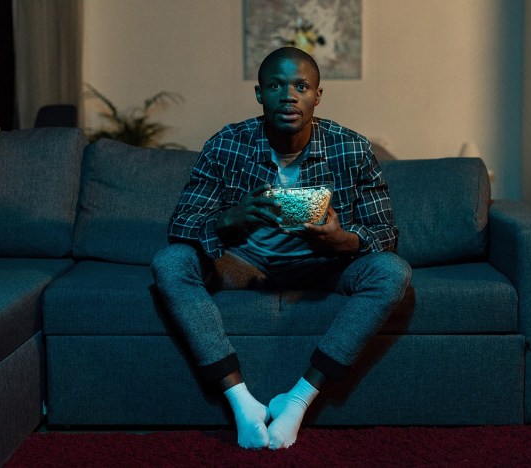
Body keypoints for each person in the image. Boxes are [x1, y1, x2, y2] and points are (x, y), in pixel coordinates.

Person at [151, 47, 411, 450]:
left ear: (317, 96)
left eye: (301, 86)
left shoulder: (351, 147)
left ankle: (298, 400)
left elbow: (385, 232)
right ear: (259, 94)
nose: (288, 95)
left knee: (393, 272)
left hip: (324, 265)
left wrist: (344, 240)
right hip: (244, 263)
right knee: (170, 263)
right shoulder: (227, 144)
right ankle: (242, 402)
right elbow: (180, 225)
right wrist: (228, 219)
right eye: (275, 85)